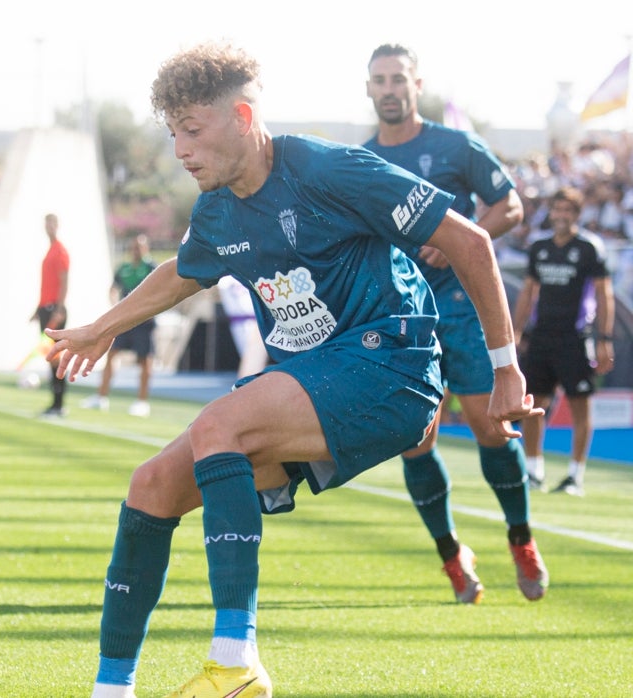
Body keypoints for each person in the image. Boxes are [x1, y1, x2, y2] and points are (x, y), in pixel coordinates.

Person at [45, 41, 538, 698]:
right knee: (152, 485)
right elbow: (181, 273)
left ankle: (236, 661)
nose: (180, 150)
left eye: (192, 129)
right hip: (318, 384)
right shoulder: (218, 209)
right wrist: (101, 327)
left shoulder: (329, 168)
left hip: (393, 365)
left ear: (244, 119)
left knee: (222, 425)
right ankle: (111, 690)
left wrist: (506, 370)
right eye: (172, 133)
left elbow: (469, 240)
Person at [363, 43, 548, 604]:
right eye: (380, 80)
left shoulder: (453, 145)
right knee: (415, 440)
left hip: (465, 308)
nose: (390, 88)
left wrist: (463, 239)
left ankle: (521, 539)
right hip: (404, 315)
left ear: (418, 86)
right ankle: (451, 555)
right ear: (368, 89)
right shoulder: (360, 160)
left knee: (492, 427)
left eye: (399, 78)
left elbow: (510, 207)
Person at [512, 185, 615, 496]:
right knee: (534, 405)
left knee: (579, 406)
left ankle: (575, 476)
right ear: (551, 212)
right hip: (542, 336)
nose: (561, 216)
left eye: (568, 211)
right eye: (557, 210)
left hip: (575, 337)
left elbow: (603, 293)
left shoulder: (589, 248)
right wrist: (515, 332)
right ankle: (533, 472)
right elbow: (528, 292)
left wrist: (604, 337)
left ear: (577, 215)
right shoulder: (539, 247)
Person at [83, 234, 157, 417]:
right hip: (125, 321)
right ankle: (101, 397)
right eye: (133, 247)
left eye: (139, 247)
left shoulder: (151, 267)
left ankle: (142, 402)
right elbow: (113, 288)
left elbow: (159, 291)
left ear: (146, 248)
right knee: (112, 354)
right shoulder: (124, 268)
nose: (136, 250)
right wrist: (116, 307)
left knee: (144, 360)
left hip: (144, 322)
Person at [35, 212, 70, 417]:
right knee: (49, 357)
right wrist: (37, 309)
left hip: (54, 310)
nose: (48, 227)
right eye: (46, 223)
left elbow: (64, 281)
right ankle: (54, 402)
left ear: (57, 226)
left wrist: (59, 308)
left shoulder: (60, 251)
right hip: (45, 308)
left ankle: (59, 403)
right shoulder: (50, 251)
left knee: (55, 357)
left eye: (51, 224)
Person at [216, 275, 268, 378]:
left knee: (254, 359)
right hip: (238, 320)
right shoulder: (225, 278)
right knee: (246, 356)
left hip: (257, 319)